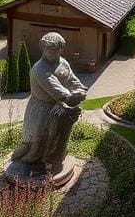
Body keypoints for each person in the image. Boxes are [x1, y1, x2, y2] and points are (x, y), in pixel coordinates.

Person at [11, 32, 87, 174]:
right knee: (38, 138)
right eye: (48, 50)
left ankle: (51, 160)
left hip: (57, 108)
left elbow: (72, 79)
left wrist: (81, 89)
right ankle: (32, 162)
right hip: (41, 109)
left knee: (55, 136)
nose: (51, 53)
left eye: (55, 50)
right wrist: (75, 96)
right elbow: (59, 92)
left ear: (61, 49)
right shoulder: (39, 69)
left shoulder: (63, 63)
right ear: (43, 49)